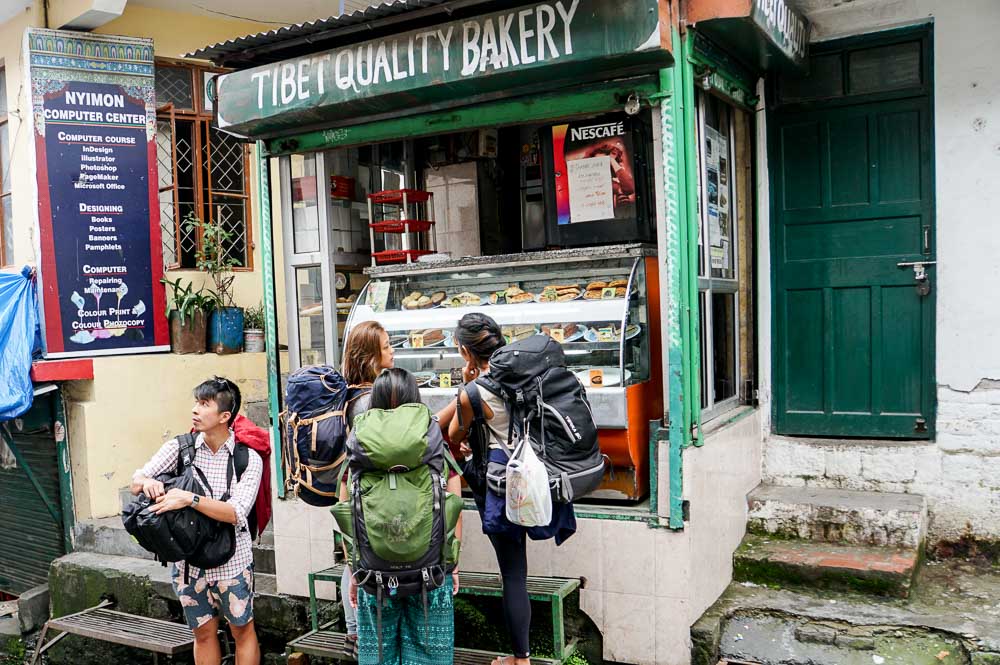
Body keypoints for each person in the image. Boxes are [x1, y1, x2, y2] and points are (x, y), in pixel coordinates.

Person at [442, 314, 576, 665]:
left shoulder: (474, 392)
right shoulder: (527, 374)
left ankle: (521, 659)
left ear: (466, 352)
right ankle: (522, 656)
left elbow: (455, 435)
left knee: (513, 574)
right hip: (541, 478)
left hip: (506, 489)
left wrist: (466, 388)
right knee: (519, 574)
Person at [130, 377, 263, 665]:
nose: (195, 410)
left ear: (225, 416)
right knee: (202, 633)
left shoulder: (247, 459)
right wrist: (148, 482)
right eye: (196, 402)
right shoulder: (179, 448)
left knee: (242, 630)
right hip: (188, 565)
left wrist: (188, 499)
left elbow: (236, 513)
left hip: (233, 562)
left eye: (204, 404)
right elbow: (136, 480)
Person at [347, 368, 462, 665]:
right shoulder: (431, 433)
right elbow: (453, 493)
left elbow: (346, 503)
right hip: (432, 571)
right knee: (430, 654)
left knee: (378, 654)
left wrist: (353, 569)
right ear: (415, 397)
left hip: (373, 572)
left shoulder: (360, 436)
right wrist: (453, 564)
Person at [338, 320, 394, 657]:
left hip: (355, 490)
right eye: (386, 346)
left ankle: (355, 632)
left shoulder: (352, 392)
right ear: (370, 355)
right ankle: (358, 633)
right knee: (357, 562)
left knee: (352, 562)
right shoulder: (368, 400)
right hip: (367, 493)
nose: (392, 351)